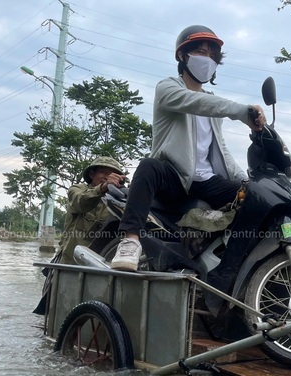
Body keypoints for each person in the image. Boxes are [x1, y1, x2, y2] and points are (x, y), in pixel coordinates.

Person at [110, 25, 265, 272]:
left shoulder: (212, 102)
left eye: (211, 55)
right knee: (149, 165)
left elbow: (221, 150)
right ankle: (130, 240)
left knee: (257, 197)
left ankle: (238, 262)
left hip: (205, 180)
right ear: (182, 56)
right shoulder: (168, 88)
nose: (207, 58)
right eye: (200, 51)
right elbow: (195, 102)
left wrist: (246, 181)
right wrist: (239, 111)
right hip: (173, 176)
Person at [59, 156, 126, 264]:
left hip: (102, 263)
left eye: (112, 174)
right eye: (103, 172)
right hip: (71, 262)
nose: (107, 177)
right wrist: (102, 188)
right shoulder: (77, 189)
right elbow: (80, 202)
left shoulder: (119, 200)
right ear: (91, 174)